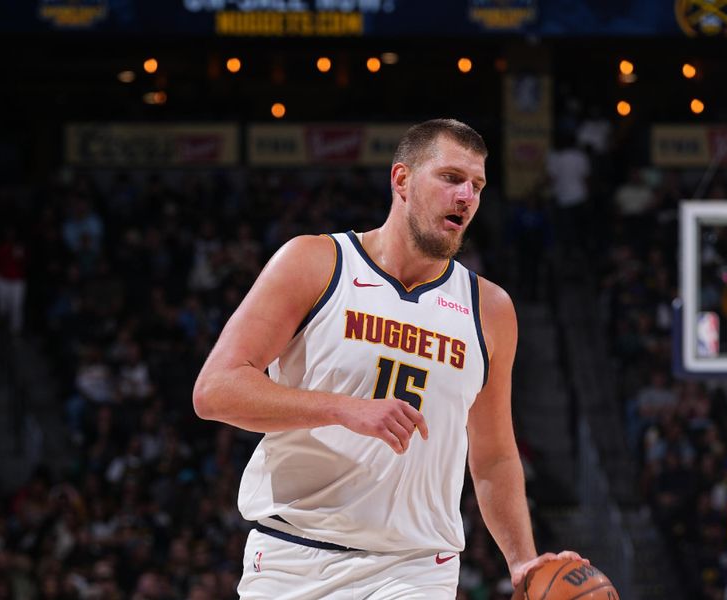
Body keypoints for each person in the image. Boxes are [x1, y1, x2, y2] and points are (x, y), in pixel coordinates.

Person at [193, 119, 584, 599]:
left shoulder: (491, 309)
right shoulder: (315, 263)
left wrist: (523, 560)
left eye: (477, 186)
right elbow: (215, 390)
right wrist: (342, 407)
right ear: (402, 179)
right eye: (451, 178)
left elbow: (495, 454)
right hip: (294, 557)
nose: (467, 196)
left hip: (416, 570)